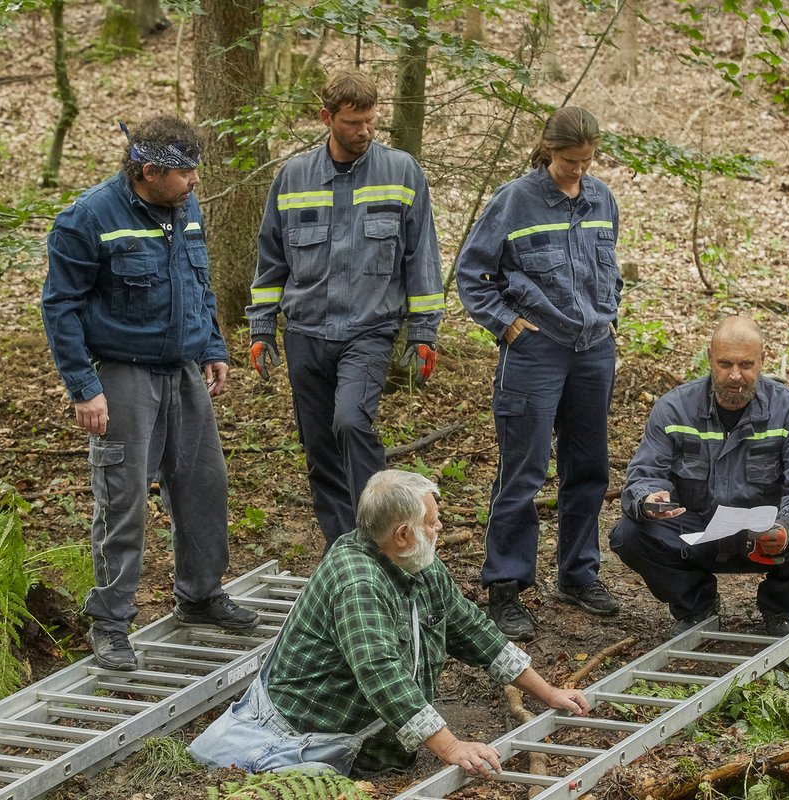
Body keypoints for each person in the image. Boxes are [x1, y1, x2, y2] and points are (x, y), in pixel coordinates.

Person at [190, 469, 589, 777]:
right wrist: (451, 747)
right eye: (432, 522)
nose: (439, 529)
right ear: (402, 534)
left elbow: (472, 629)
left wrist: (547, 692)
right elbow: (381, 673)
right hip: (303, 735)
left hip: (364, 734)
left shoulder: (417, 563)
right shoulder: (358, 583)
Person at [42, 116, 258, 672]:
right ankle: (112, 622)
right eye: (184, 171)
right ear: (148, 170)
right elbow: (60, 307)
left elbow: (198, 283)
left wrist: (213, 344)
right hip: (122, 374)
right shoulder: (88, 218)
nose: (194, 181)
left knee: (203, 486)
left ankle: (201, 594)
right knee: (124, 500)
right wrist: (83, 388)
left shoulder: (185, 211)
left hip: (183, 369)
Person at [246, 69, 444, 547]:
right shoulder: (292, 178)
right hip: (306, 333)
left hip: (369, 330)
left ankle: (383, 533)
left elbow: (422, 257)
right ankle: (345, 550)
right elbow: (271, 258)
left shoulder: (401, 172)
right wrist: (260, 329)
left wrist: (423, 333)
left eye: (371, 122)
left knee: (351, 423)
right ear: (326, 118)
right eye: (354, 123)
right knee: (319, 448)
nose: (364, 132)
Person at [455, 107, 622, 641]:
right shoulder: (514, 200)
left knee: (588, 466)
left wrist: (610, 312)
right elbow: (471, 273)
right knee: (524, 471)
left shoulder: (601, 200)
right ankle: (505, 586)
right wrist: (507, 327)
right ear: (547, 150)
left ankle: (578, 574)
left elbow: (608, 264)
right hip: (534, 351)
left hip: (593, 349)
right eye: (570, 161)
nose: (578, 171)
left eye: (587, 161)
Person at [608, 316, 789, 637]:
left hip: (765, 537)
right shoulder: (674, 409)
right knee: (629, 535)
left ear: (763, 360)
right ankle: (696, 605)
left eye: (746, 364)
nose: (735, 376)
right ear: (709, 359)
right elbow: (644, 474)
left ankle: (779, 608)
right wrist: (649, 498)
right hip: (697, 533)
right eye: (725, 363)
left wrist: (788, 528)